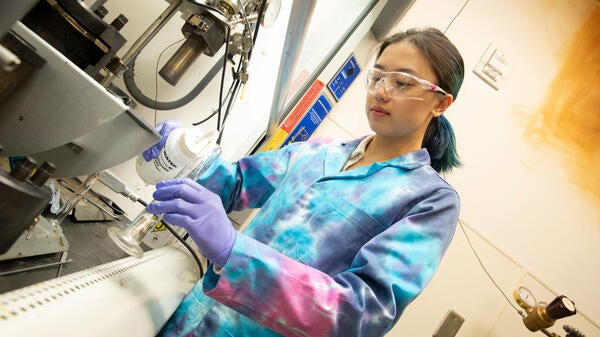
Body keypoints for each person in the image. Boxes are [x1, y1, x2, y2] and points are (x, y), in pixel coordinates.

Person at [144, 26, 464, 337]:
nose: (381, 91)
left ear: (440, 103)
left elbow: (360, 314)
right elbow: (235, 184)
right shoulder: (318, 153)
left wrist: (234, 252)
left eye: (403, 82)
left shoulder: (429, 200)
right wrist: (185, 151)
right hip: (187, 322)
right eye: (377, 77)